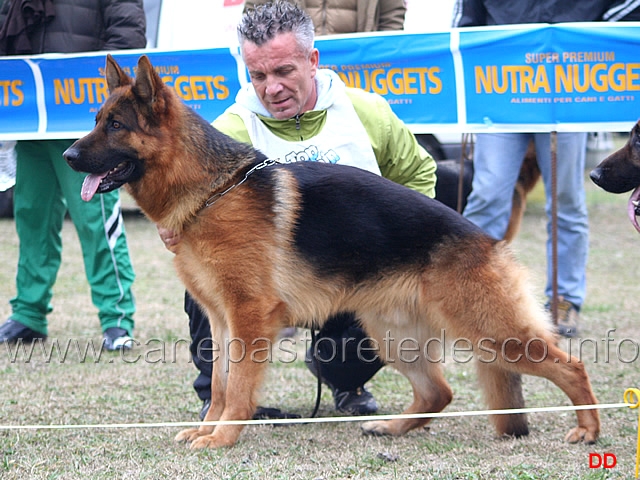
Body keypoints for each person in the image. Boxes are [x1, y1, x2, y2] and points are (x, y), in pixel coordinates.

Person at [160, 0, 435, 420]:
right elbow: (191, 210)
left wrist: (407, 245)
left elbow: (419, 175)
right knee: (206, 276)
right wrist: (176, 227)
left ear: (312, 60)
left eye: (284, 71)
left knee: (356, 339)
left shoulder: (367, 113)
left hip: (350, 281)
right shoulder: (231, 131)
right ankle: (214, 399)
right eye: (258, 76)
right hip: (271, 284)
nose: (271, 88)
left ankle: (346, 381)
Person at [451, 0, 639, 338]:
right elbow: (465, 19)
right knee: (489, 193)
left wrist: (584, 34)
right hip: (499, 86)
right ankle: (469, 294)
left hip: (568, 86)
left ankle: (564, 301)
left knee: (566, 199)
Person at [0, 0, 146, 350]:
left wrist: (105, 98)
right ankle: (28, 314)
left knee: (95, 219)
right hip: (29, 114)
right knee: (31, 215)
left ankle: (116, 319)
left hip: (83, 117)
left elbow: (127, 28)